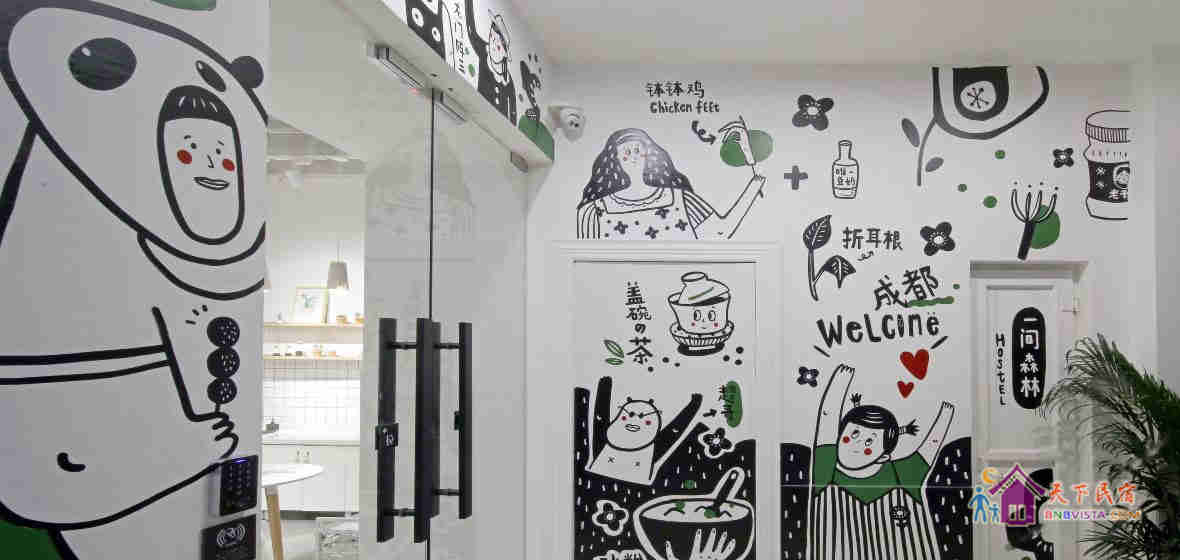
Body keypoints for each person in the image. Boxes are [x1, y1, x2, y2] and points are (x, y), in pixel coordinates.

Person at [809, 364, 956, 559]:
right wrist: (841, 380)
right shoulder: (825, 470)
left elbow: (931, 446)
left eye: (869, 442)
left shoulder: (902, 474)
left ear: (884, 456)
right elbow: (827, 418)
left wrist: (946, 412)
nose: (856, 444)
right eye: (852, 434)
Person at [576, 125, 767, 240]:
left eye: (637, 150)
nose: (633, 157)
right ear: (615, 160)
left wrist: (755, 182)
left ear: (648, 154)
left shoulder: (679, 199)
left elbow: (719, 233)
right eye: (626, 153)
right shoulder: (594, 211)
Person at [465, 0, 516, 124]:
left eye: (498, 46)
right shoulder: (484, 52)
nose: (492, 46)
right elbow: (471, 31)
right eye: (491, 38)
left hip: (497, 128)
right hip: (478, 115)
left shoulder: (508, 82)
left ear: (505, 54)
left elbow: (513, 114)